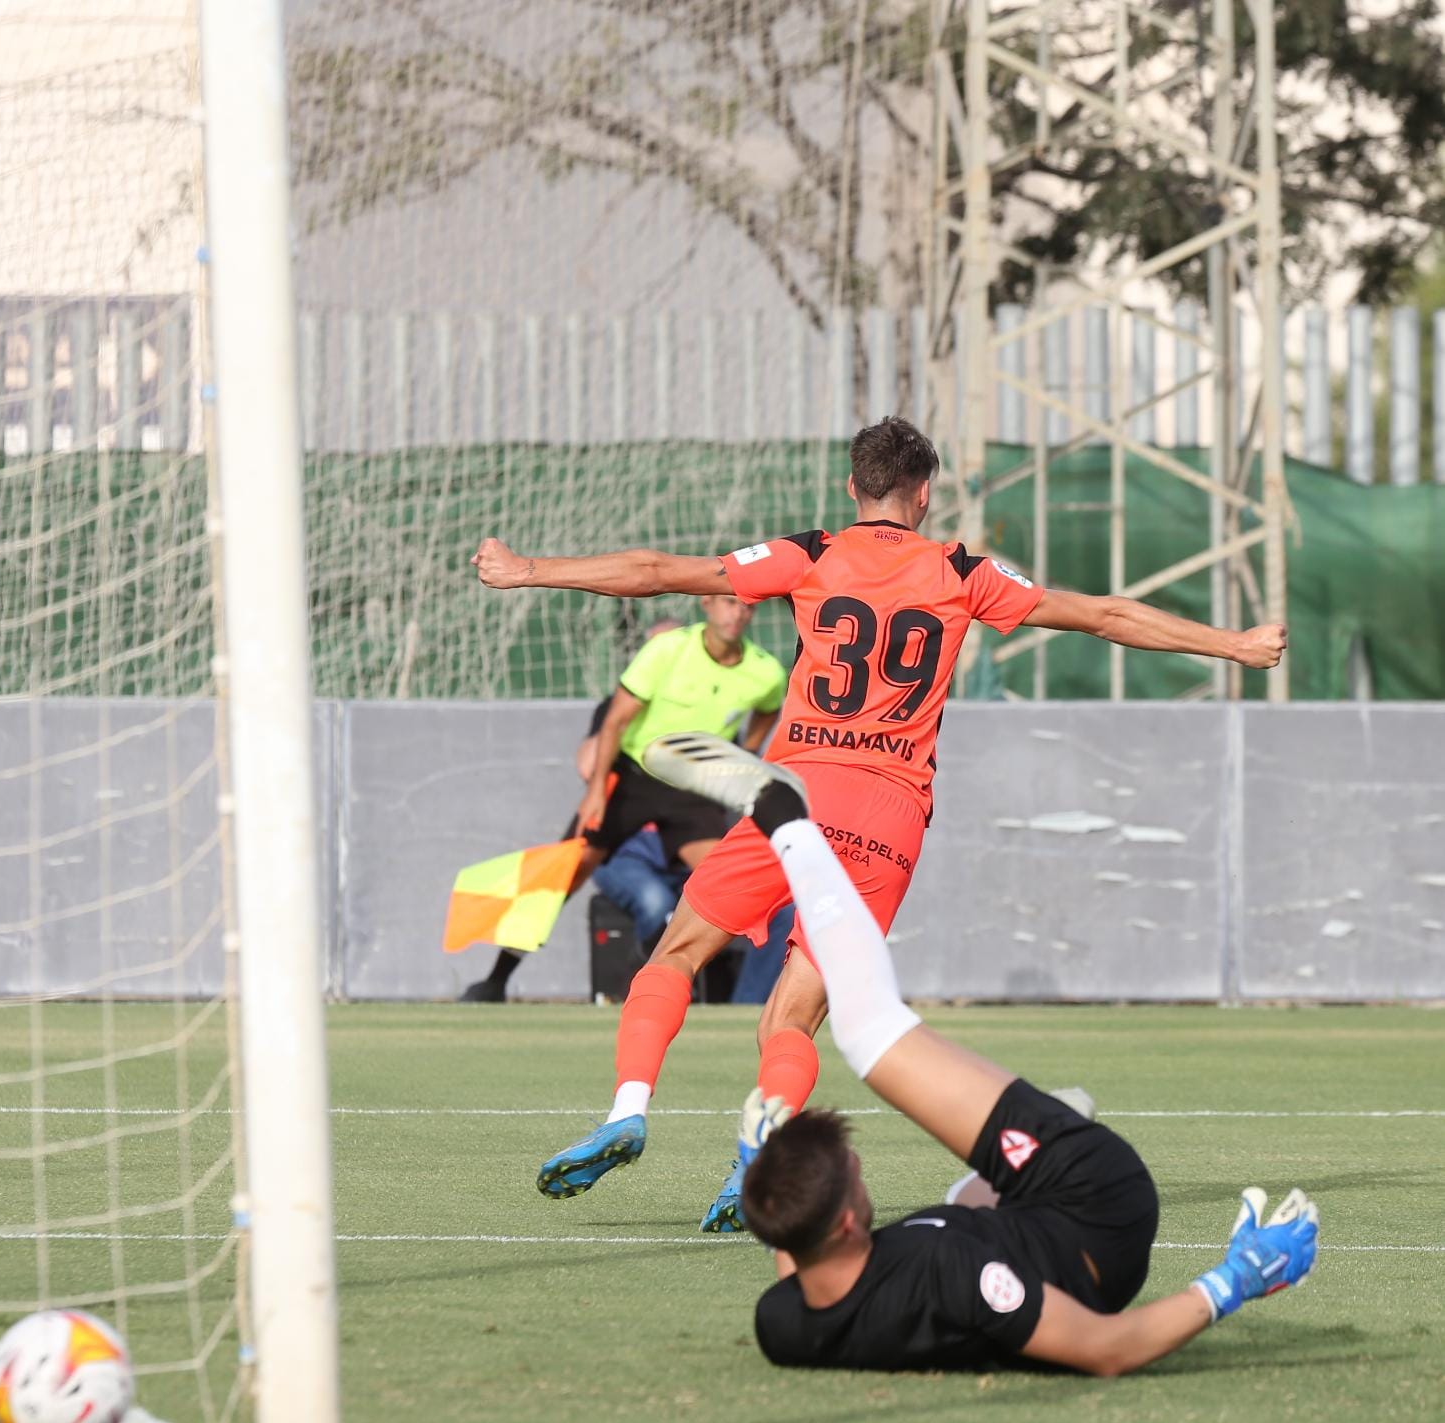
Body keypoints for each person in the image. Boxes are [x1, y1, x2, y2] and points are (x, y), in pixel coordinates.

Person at [471, 416, 1288, 1230]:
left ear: (852, 487)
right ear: (924, 494)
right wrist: (1236, 644)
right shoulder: (964, 571)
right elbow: (1106, 617)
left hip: (797, 797)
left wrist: (527, 569)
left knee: (676, 954)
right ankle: (758, 1153)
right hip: (888, 820)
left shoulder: (814, 554)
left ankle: (627, 1108)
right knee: (793, 1014)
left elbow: (657, 572)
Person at [648, 733, 1320, 1375]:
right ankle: (787, 820)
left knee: (957, 1181)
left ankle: (1032, 1134)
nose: (856, 1165)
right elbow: (1107, 1349)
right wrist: (1232, 1283)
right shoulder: (956, 1278)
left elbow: (802, 1267)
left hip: (1005, 1223)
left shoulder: (785, 1325)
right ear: (850, 1218)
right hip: (1092, 1201)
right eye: (851, 1172)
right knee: (867, 1028)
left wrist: (769, 1180)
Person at [458, 598, 787, 1002]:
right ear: (707, 603)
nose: (737, 614)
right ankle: (496, 980)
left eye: (747, 608)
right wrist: (596, 792)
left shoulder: (766, 672)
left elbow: (769, 711)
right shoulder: (667, 649)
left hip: (692, 788)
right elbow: (615, 719)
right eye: (728, 603)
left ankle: (731, 999)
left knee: (733, 885)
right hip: (632, 777)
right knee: (566, 874)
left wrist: (745, 754)